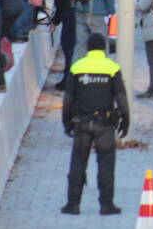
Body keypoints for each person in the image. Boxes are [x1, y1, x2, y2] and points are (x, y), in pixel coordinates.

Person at [61, 33, 129, 216]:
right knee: (106, 163)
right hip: (105, 124)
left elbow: (68, 98)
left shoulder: (77, 67)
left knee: (78, 163)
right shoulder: (112, 67)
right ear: (104, 48)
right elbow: (121, 98)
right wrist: (126, 121)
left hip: (81, 123)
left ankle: (73, 205)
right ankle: (106, 205)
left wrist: (66, 121)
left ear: (88, 48)